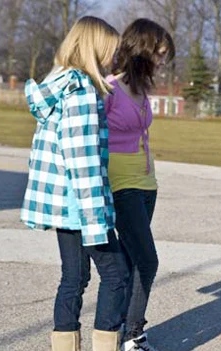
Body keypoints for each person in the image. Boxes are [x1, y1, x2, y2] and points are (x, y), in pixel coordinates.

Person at [21, 16, 129, 351]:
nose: (113, 59)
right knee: (117, 275)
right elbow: (82, 160)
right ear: (94, 49)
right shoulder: (82, 91)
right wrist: (97, 220)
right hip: (81, 204)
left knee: (74, 277)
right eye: (110, 52)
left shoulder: (58, 82)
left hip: (61, 202)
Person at [103, 18, 175, 351]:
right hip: (120, 183)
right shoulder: (109, 88)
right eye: (158, 54)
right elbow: (89, 137)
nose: (161, 61)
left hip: (147, 183)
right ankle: (133, 334)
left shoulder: (142, 90)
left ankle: (119, 333)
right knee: (148, 260)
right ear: (141, 50)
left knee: (134, 260)